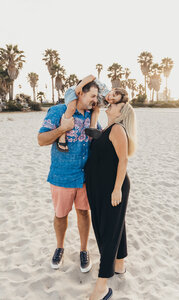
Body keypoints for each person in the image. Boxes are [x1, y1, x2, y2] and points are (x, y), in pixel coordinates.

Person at [37, 80, 99, 272]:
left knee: (83, 212)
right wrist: (62, 129)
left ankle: (83, 250)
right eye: (93, 96)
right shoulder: (58, 111)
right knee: (61, 214)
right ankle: (59, 247)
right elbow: (41, 140)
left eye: (97, 97)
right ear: (80, 94)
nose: (95, 101)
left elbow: (99, 139)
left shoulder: (92, 116)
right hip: (61, 176)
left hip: (85, 177)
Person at [84, 89, 137, 300]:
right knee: (115, 225)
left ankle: (101, 286)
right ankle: (120, 264)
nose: (110, 105)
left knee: (108, 233)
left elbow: (123, 161)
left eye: (113, 105)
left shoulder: (118, 130)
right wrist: (96, 114)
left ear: (121, 111)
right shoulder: (107, 127)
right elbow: (91, 136)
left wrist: (116, 189)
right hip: (99, 187)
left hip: (112, 187)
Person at [57, 76, 126, 152]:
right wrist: (80, 86)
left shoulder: (105, 103)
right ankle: (62, 137)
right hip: (75, 90)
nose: (111, 98)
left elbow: (96, 109)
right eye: (113, 95)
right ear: (113, 89)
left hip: (86, 98)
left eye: (113, 100)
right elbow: (91, 77)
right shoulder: (103, 88)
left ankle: (92, 128)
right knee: (72, 108)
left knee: (96, 109)